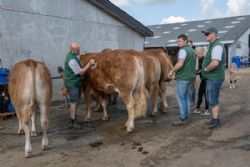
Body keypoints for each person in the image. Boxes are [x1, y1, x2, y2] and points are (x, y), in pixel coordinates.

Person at [64, 42, 95, 128]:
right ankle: (73, 122)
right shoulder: (72, 60)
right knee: (74, 103)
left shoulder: (70, 54)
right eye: (77, 50)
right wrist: (89, 63)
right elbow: (81, 72)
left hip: (73, 82)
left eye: (79, 49)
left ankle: (73, 118)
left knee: (76, 102)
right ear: (73, 50)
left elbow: (78, 57)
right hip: (72, 84)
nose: (79, 51)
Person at [168, 34, 196, 126]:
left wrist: (172, 71)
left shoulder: (183, 50)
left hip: (183, 77)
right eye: (177, 41)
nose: (178, 43)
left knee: (181, 98)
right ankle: (187, 116)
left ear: (185, 41)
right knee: (186, 97)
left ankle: (183, 118)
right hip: (190, 77)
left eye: (179, 41)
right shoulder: (192, 50)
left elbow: (180, 63)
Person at [201, 27, 225, 129]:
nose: (205, 36)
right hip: (212, 77)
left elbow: (215, 63)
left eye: (207, 34)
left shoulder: (217, 46)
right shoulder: (213, 45)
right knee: (211, 99)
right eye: (205, 34)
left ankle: (215, 121)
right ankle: (215, 119)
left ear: (214, 34)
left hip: (214, 78)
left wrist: (206, 69)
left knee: (213, 99)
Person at [192, 47, 210, 116]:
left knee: (206, 95)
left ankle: (207, 110)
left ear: (201, 53)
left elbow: (201, 70)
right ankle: (197, 108)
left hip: (206, 79)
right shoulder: (199, 60)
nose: (196, 55)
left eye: (198, 54)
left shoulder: (205, 60)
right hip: (203, 80)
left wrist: (196, 72)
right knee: (200, 94)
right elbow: (198, 70)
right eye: (196, 54)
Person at [188, 40, 196, 106]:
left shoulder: (193, 52)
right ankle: (191, 100)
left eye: (189, 45)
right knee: (191, 87)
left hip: (192, 72)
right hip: (188, 72)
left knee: (191, 87)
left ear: (191, 45)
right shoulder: (189, 52)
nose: (188, 46)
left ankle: (191, 101)